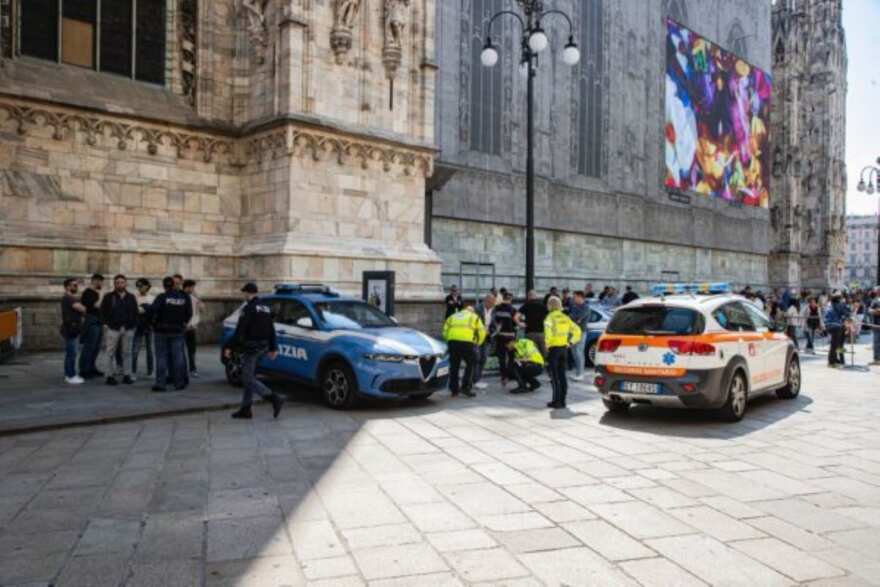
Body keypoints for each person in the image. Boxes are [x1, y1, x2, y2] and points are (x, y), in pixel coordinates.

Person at [224, 283, 285, 419]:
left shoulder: (248, 308)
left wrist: (229, 346)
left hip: (252, 347)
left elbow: (240, 330)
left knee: (246, 378)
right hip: (263, 347)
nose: (244, 295)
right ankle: (246, 409)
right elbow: (271, 328)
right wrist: (273, 347)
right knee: (250, 376)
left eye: (244, 293)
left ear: (248, 293)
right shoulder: (265, 308)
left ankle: (274, 398)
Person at [151, 276, 192, 392]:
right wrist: (182, 323)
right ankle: (179, 383)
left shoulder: (161, 297)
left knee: (161, 357)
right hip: (177, 330)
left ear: (164, 286)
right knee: (178, 357)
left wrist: (153, 323)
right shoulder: (183, 297)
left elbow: (153, 310)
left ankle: (161, 384)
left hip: (161, 331)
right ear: (173, 285)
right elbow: (189, 313)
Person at [99, 275, 138, 385]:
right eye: (117, 282)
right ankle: (109, 376)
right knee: (109, 352)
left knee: (127, 352)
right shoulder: (109, 297)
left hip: (128, 328)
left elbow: (135, 312)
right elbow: (102, 311)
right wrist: (105, 324)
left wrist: (134, 325)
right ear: (114, 284)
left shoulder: (131, 297)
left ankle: (127, 375)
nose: (120, 284)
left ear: (126, 283)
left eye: (122, 282)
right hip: (113, 328)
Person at [544, 297, 581, 409]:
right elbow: (578, 331)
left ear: (549, 305)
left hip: (554, 349)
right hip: (564, 349)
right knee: (562, 376)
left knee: (554, 377)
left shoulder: (549, 317)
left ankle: (557, 401)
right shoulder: (566, 317)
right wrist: (570, 342)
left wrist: (547, 345)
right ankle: (562, 401)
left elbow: (548, 334)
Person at [442, 305, 486, 398]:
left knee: (454, 366)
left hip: (453, 342)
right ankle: (465, 387)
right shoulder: (474, 317)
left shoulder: (453, 316)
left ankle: (454, 390)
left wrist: (449, 340)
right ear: (472, 311)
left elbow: (444, 330)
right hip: (467, 343)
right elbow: (482, 331)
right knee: (471, 363)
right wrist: (478, 342)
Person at [78, 273, 104, 379]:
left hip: (99, 322)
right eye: (100, 281)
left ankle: (92, 368)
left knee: (96, 348)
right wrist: (101, 295)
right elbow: (96, 305)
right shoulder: (88, 293)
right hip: (92, 323)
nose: (102, 284)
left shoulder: (96, 293)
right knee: (89, 347)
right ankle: (84, 370)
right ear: (95, 281)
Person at [60, 278, 86, 385]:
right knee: (72, 353)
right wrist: (83, 308)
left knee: (71, 353)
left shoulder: (70, 298)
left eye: (76, 285)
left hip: (71, 328)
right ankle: (71, 375)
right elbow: (82, 309)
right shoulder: (68, 298)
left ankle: (69, 374)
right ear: (67, 287)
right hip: (70, 329)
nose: (76, 287)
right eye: (74, 285)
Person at [492, 292, 518, 387]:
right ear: (511, 299)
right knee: (511, 357)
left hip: (500, 337)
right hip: (510, 337)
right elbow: (516, 323)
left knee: (502, 358)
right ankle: (509, 374)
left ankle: (503, 377)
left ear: (503, 298)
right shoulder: (513, 309)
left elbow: (493, 321)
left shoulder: (496, 308)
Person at [132, 278, 155, 380]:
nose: (139, 288)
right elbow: (133, 311)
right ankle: (133, 372)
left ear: (147, 286)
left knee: (150, 351)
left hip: (149, 326)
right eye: (138, 286)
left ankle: (150, 371)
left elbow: (154, 311)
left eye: (141, 286)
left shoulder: (152, 298)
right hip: (138, 326)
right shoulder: (134, 297)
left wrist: (144, 309)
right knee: (135, 350)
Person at [473, 293, 496, 389]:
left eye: (493, 303)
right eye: (491, 302)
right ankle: (474, 380)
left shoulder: (493, 310)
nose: (492, 304)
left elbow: (493, 324)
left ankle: (478, 378)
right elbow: (473, 323)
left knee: (484, 358)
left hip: (487, 338)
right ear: (486, 301)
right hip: (477, 337)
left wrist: (492, 331)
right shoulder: (477, 309)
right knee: (476, 358)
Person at [567, 291, 590, 381]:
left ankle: (580, 374)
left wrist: (573, 318)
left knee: (578, 352)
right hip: (572, 332)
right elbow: (570, 318)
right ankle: (578, 373)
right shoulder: (574, 307)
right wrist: (573, 318)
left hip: (581, 332)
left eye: (575, 297)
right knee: (574, 353)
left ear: (580, 297)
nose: (573, 298)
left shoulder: (585, 307)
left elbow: (577, 318)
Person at [518, 290, 548, 357]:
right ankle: (544, 363)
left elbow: (516, 316)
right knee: (544, 353)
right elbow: (548, 318)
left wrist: (520, 323)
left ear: (528, 297)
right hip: (541, 332)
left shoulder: (526, 305)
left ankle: (536, 363)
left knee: (533, 354)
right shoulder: (543, 305)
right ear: (536, 296)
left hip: (529, 332)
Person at [183, 279, 203, 378]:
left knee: (191, 350)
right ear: (187, 287)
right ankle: (182, 369)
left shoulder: (194, 298)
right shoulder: (182, 297)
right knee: (180, 350)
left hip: (191, 327)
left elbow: (201, 309)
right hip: (183, 327)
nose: (193, 289)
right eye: (192, 287)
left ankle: (192, 368)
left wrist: (198, 298)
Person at [824, 293, 850, 368]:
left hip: (831, 325)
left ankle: (837, 360)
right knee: (836, 345)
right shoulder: (839, 305)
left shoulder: (829, 305)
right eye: (841, 299)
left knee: (835, 344)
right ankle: (833, 361)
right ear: (838, 299)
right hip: (836, 326)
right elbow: (847, 313)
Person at [869, 289, 880, 366]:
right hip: (876, 325)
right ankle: (876, 359)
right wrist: (875, 311)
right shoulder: (875, 301)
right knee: (876, 342)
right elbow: (869, 310)